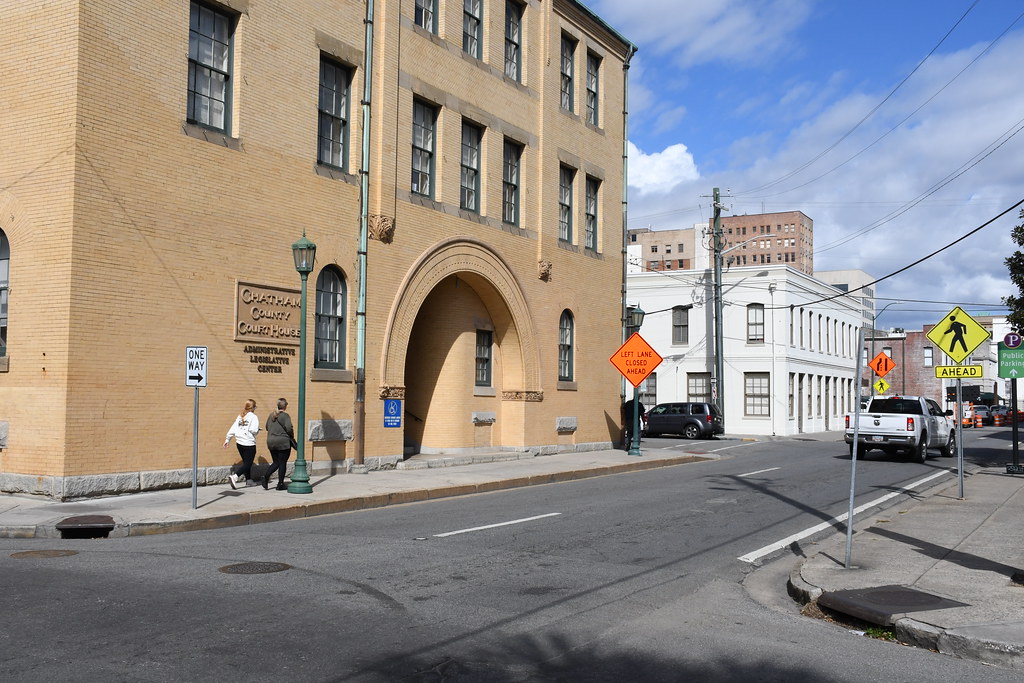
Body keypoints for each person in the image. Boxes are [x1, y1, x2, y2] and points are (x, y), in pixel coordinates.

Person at [224, 399, 260, 488]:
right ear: (253, 407)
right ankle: (235, 477)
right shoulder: (253, 417)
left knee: (245, 462)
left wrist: (227, 439)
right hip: (249, 443)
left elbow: (233, 428)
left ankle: (249, 480)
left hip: (239, 443)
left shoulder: (240, 416)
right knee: (248, 463)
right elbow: (253, 430)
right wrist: (258, 430)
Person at [262, 398, 294, 491]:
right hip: (283, 442)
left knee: (276, 462)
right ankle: (280, 484)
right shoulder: (285, 416)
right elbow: (289, 428)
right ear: (285, 406)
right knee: (282, 462)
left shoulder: (271, 415)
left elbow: (267, 427)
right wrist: (292, 436)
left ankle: (266, 476)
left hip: (271, 441)